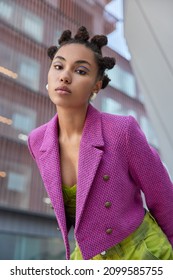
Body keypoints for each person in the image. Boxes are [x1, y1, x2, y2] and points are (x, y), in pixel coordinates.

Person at [28, 26, 173, 260]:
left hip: (143, 252)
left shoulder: (122, 130)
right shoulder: (37, 140)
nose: (65, 76)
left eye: (81, 71)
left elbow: (164, 200)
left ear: (96, 86)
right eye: (59, 66)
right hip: (88, 257)